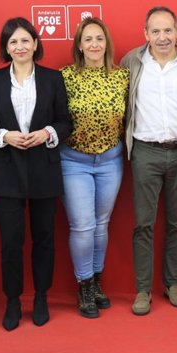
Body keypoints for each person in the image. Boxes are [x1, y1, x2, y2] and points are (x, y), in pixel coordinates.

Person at [0, 17, 72, 331]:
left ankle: (41, 296)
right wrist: (4, 136)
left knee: (44, 239)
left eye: (25, 41)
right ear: (6, 47)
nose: (20, 47)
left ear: (35, 44)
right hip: (7, 171)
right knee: (11, 242)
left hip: (44, 168)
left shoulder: (52, 79)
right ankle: (13, 300)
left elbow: (65, 122)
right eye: (13, 42)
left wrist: (47, 133)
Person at [121, 6, 177, 316]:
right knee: (143, 224)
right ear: (145, 34)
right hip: (145, 152)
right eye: (155, 31)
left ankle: (172, 283)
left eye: (167, 30)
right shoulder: (130, 63)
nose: (162, 37)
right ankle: (143, 289)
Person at [60, 17, 129, 318]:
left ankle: (97, 281)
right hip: (74, 161)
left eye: (99, 38)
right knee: (83, 226)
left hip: (110, 161)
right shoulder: (64, 77)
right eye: (87, 39)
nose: (94, 45)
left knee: (101, 224)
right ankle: (84, 284)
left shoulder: (122, 77)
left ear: (107, 43)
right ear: (79, 44)